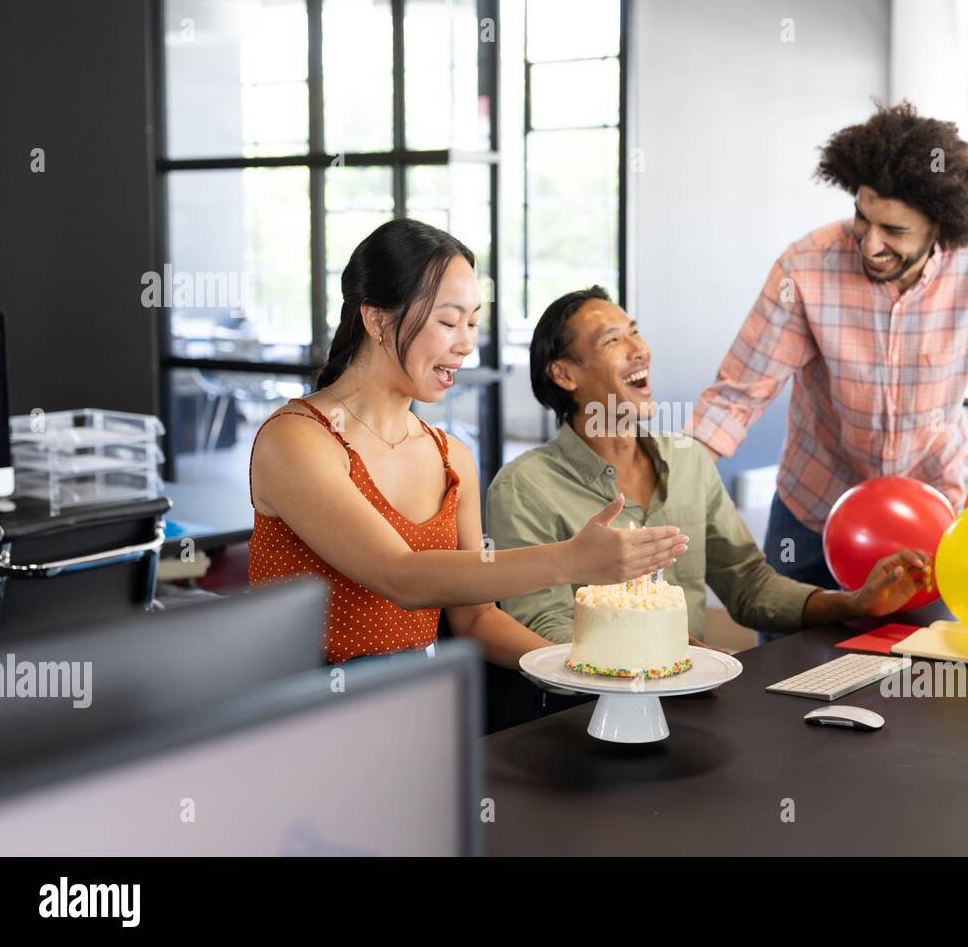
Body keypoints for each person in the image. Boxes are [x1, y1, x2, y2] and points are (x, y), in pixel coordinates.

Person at [685, 101, 968, 590]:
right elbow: (737, 394)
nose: (870, 244)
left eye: (895, 231)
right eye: (862, 218)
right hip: (813, 511)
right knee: (788, 658)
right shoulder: (806, 267)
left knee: (918, 659)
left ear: (940, 226)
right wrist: (675, 485)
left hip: (929, 516)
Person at [248, 219, 689, 667]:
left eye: (473, 323)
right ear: (377, 319)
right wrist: (570, 560)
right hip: (301, 712)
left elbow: (477, 620)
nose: (466, 345)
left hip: (417, 701)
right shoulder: (297, 438)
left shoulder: (450, 458)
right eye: (448, 321)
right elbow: (400, 576)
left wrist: (595, 670)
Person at [485, 286, 929, 645]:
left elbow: (749, 586)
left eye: (634, 331)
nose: (638, 349)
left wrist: (856, 603)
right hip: (584, 716)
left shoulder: (688, 460)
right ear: (565, 375)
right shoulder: (524, 488)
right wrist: (660, 653)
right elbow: (546, 626)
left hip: (686, 704)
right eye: (613, 340)